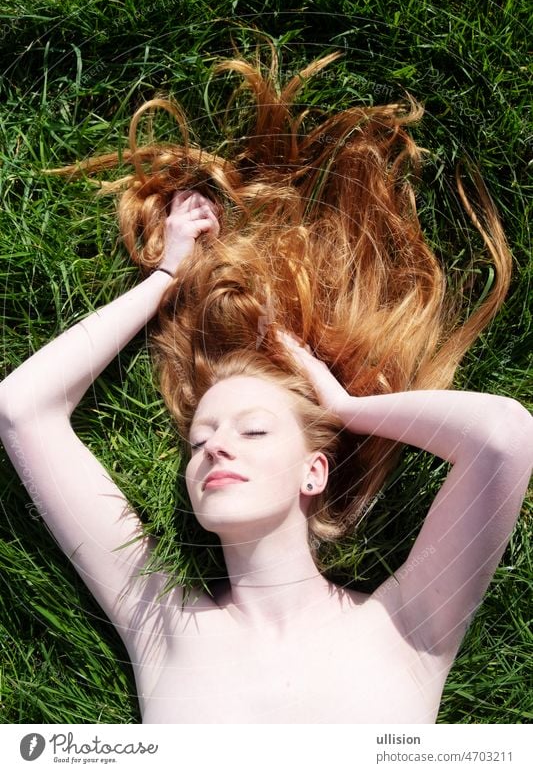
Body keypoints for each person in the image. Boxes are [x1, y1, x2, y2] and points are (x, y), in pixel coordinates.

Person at [0, 42, 531, 724]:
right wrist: (164, 278)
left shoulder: (405, 626)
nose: (215, 448)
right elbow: (20, 408)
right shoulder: (160, 625)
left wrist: (345, 406)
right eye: (198, 441)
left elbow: (503, 435)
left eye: (251, 429)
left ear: (315, 470)